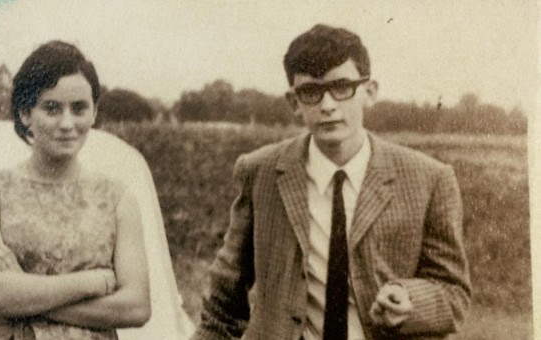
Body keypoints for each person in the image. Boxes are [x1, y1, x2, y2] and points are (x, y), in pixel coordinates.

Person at [193, 24, 471, 340]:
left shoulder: (429, 179)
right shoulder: (261, 172)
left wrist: (411, 299)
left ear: (370, 91)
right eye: (311, 92)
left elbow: (454, 294)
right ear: (294, 102)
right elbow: (221, 307)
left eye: (342, 87)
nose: (327, 106)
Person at [0, 40, 152, 339]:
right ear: (26, 114)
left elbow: (136, 307)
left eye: (79, 108)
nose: (67, 123)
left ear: (94, 112)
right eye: (51, 108)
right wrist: (90, 283)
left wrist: (21, 290)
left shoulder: (117, 199)